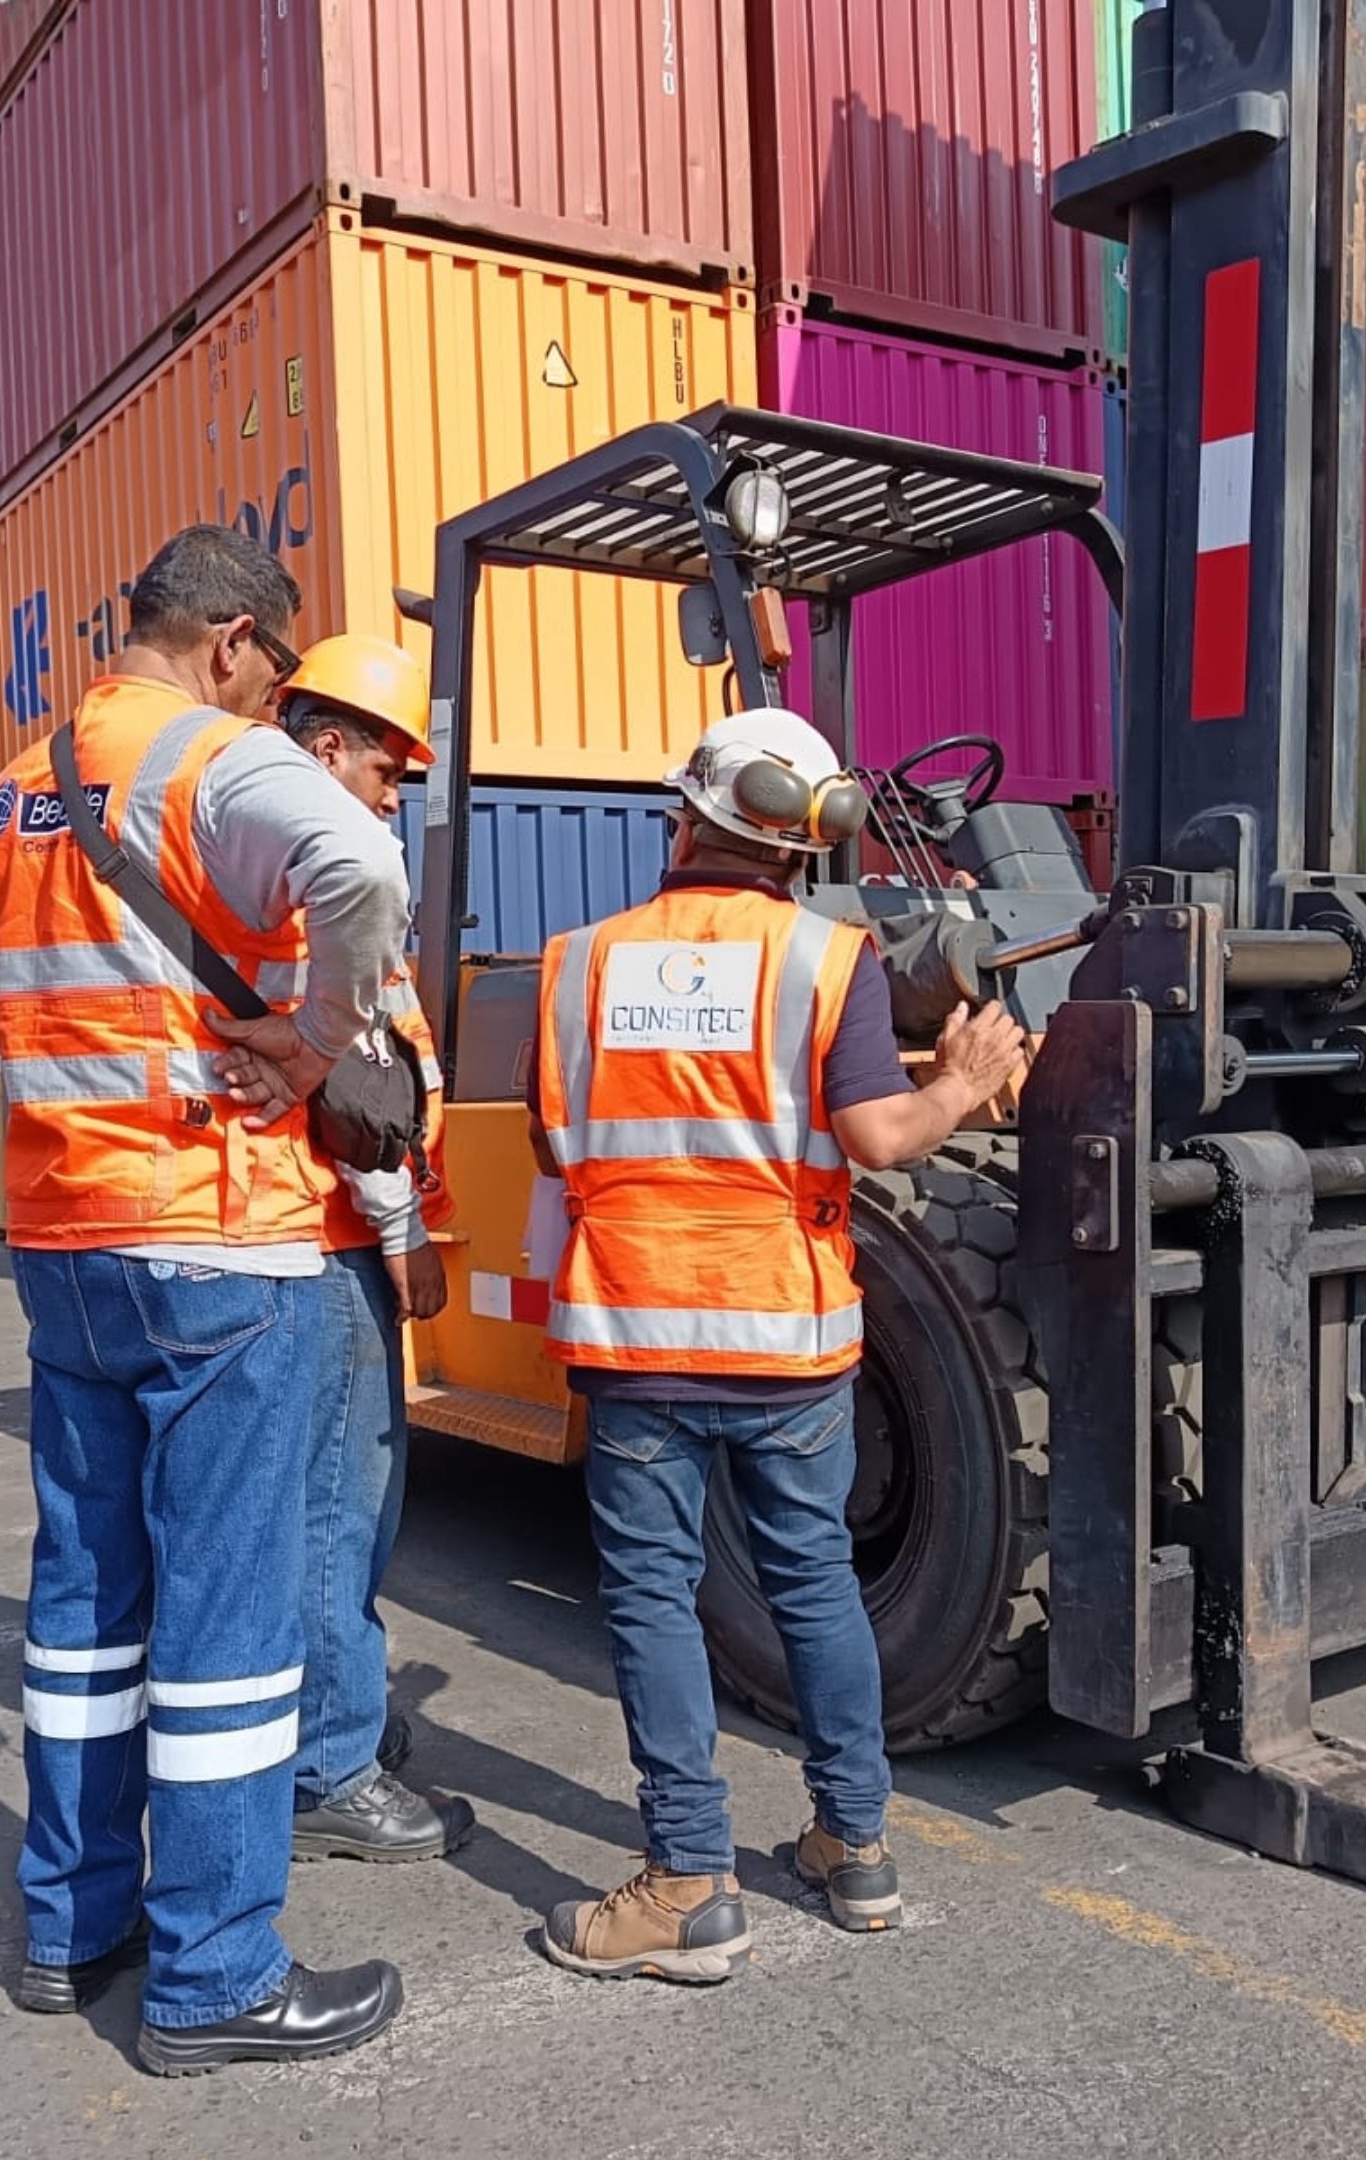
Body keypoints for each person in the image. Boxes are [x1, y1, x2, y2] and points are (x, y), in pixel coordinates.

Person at [0, 524, 417, 2076]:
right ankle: (217, 1975)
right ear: (231, 642)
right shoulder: (207, 758)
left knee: (88, 1605)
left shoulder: (17, 785)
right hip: (215, 1235)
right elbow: (360, 863)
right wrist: (317, 1033)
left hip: (63, 1241)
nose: (274, 700)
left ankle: (70, 1925)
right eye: (275, 673)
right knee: (227, 1616)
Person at [524, 708, 1026, 1984]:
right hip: (786, 1338)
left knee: (652, 1597)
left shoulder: (576, 963)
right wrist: (963, 1081)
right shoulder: (827, 958)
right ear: (807, 843)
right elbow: (878, 1139)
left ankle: (689, 1884)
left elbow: (550, 1141)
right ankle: (854, 1851)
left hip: (636, 1336)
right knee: (812, 1582)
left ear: (686, 818)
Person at [270, 639, 478, 1863]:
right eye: (389, 770)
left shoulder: (281, 853)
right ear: (329, 745)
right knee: (344, 1505)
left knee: (340, 1502)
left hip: (330, 1219)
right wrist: (403, 1233)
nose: (397, 795)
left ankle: (324, 1718)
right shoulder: (318, 867)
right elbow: (344, 1079)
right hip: (338, 1225)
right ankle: (329, 1762)